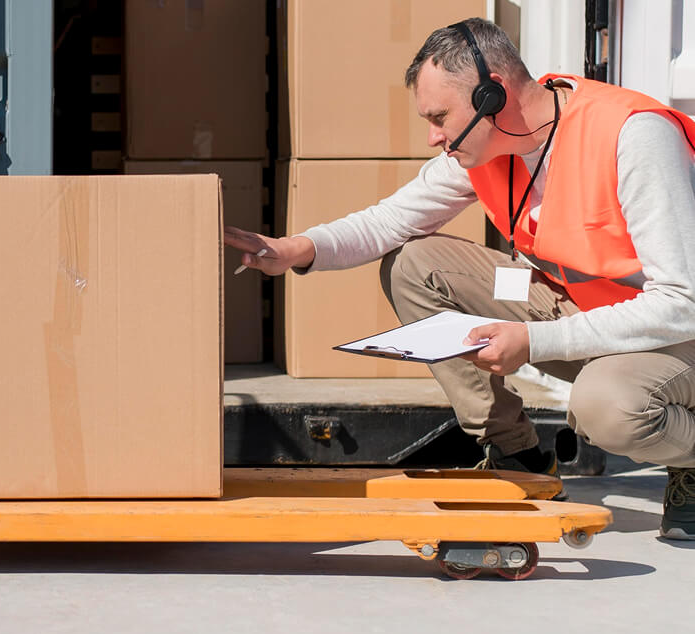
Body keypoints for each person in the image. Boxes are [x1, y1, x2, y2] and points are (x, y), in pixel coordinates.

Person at [225, 17, 695, 540]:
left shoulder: (632, 134)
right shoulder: (485, 149)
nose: (433, 137)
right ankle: (518, 456)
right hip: (590, 313)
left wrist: (537, 339)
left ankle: (691, 462)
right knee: (414, 265)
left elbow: (682, 301)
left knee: (608, 410)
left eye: (439, 116)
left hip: (677, 335)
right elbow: (389, 221)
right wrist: (294, 249)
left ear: (492, 91)